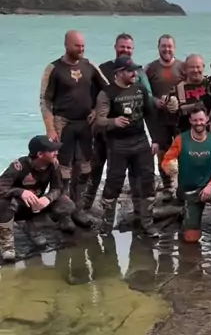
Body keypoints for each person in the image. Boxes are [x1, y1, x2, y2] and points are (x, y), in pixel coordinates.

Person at [84, 32, 153, 212]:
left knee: (135, 173)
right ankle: (86, 207)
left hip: (131, 135)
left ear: (133, 49)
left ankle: (138, 211)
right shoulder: (103, 69)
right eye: (122, 46)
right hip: (103, 133)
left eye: (129, 47)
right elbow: (91, 96)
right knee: (97, 169)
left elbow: (148, 98)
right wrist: (95, 112)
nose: (125, 50)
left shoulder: (139, 73)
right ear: (115, 47)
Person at [39, 30, 108, 209]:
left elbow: (108, 89)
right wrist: (49, 128)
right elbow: (45, 99)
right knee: (62, 163)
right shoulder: (54, 68)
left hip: (85, 122)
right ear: (66, 45)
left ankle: (79, 203)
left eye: (83, 46)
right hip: (62, 122)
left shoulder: (89, 65)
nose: (81, 49)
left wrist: (97, 110)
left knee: (85, 164)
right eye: (77, 46)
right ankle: (62, 201)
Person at [94, 57, 159, 237]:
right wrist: (113, 121)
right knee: (113, 183)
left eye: (136, 70)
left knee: (147, 180)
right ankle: (106, 224)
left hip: (140, 140)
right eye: (131, 71)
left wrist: (155, 139)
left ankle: (147, 222)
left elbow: (150, 115)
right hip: (118, 144)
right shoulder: (106, 93)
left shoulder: (140, 89)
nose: (135, 74)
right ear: (119, 72)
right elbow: (98, 121)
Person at [161, 103, 211, 244]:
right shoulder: (181, 139)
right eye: (195, 120)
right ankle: (186, 216)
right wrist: (168, 166)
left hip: (210, 187)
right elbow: (167, 159)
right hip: (190, 191)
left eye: (201, 119)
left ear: (206, 119)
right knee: (191, 238)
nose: (198, 123)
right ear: (190, 121)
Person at [0, 135, 78, 262]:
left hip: (37, 204)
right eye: (52, 150)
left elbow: (58, 188)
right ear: (40, 154)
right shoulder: (19, 165)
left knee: (66, 204)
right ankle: (7, 245)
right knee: (3, 203)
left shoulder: (53, 164)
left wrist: (47, 199)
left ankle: (46, 223)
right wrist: (20, 192)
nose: (56, 153)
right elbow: (1, 187)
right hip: (17, 205)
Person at [145, 35, 185, 198]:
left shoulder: (182, 66)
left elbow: (192, 86)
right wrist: (155, 101)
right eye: (163, 46)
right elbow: (144, 91)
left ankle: (183, 184)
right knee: (162, 152)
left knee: (182, 151)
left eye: (169, 46)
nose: (167, 49)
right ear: (158, 47)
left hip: (179, 118)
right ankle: (167, 186)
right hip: (159, 119)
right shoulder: (150, 68)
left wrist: (180, 103)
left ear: (174, 48)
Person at [175, 54, 211, 136]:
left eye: (198, 67)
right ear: (185, 69)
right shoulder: (178, 89)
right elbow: (172, 113)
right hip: (187, 136)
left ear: (203, 67)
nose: (195, 70)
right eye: (192, 67)